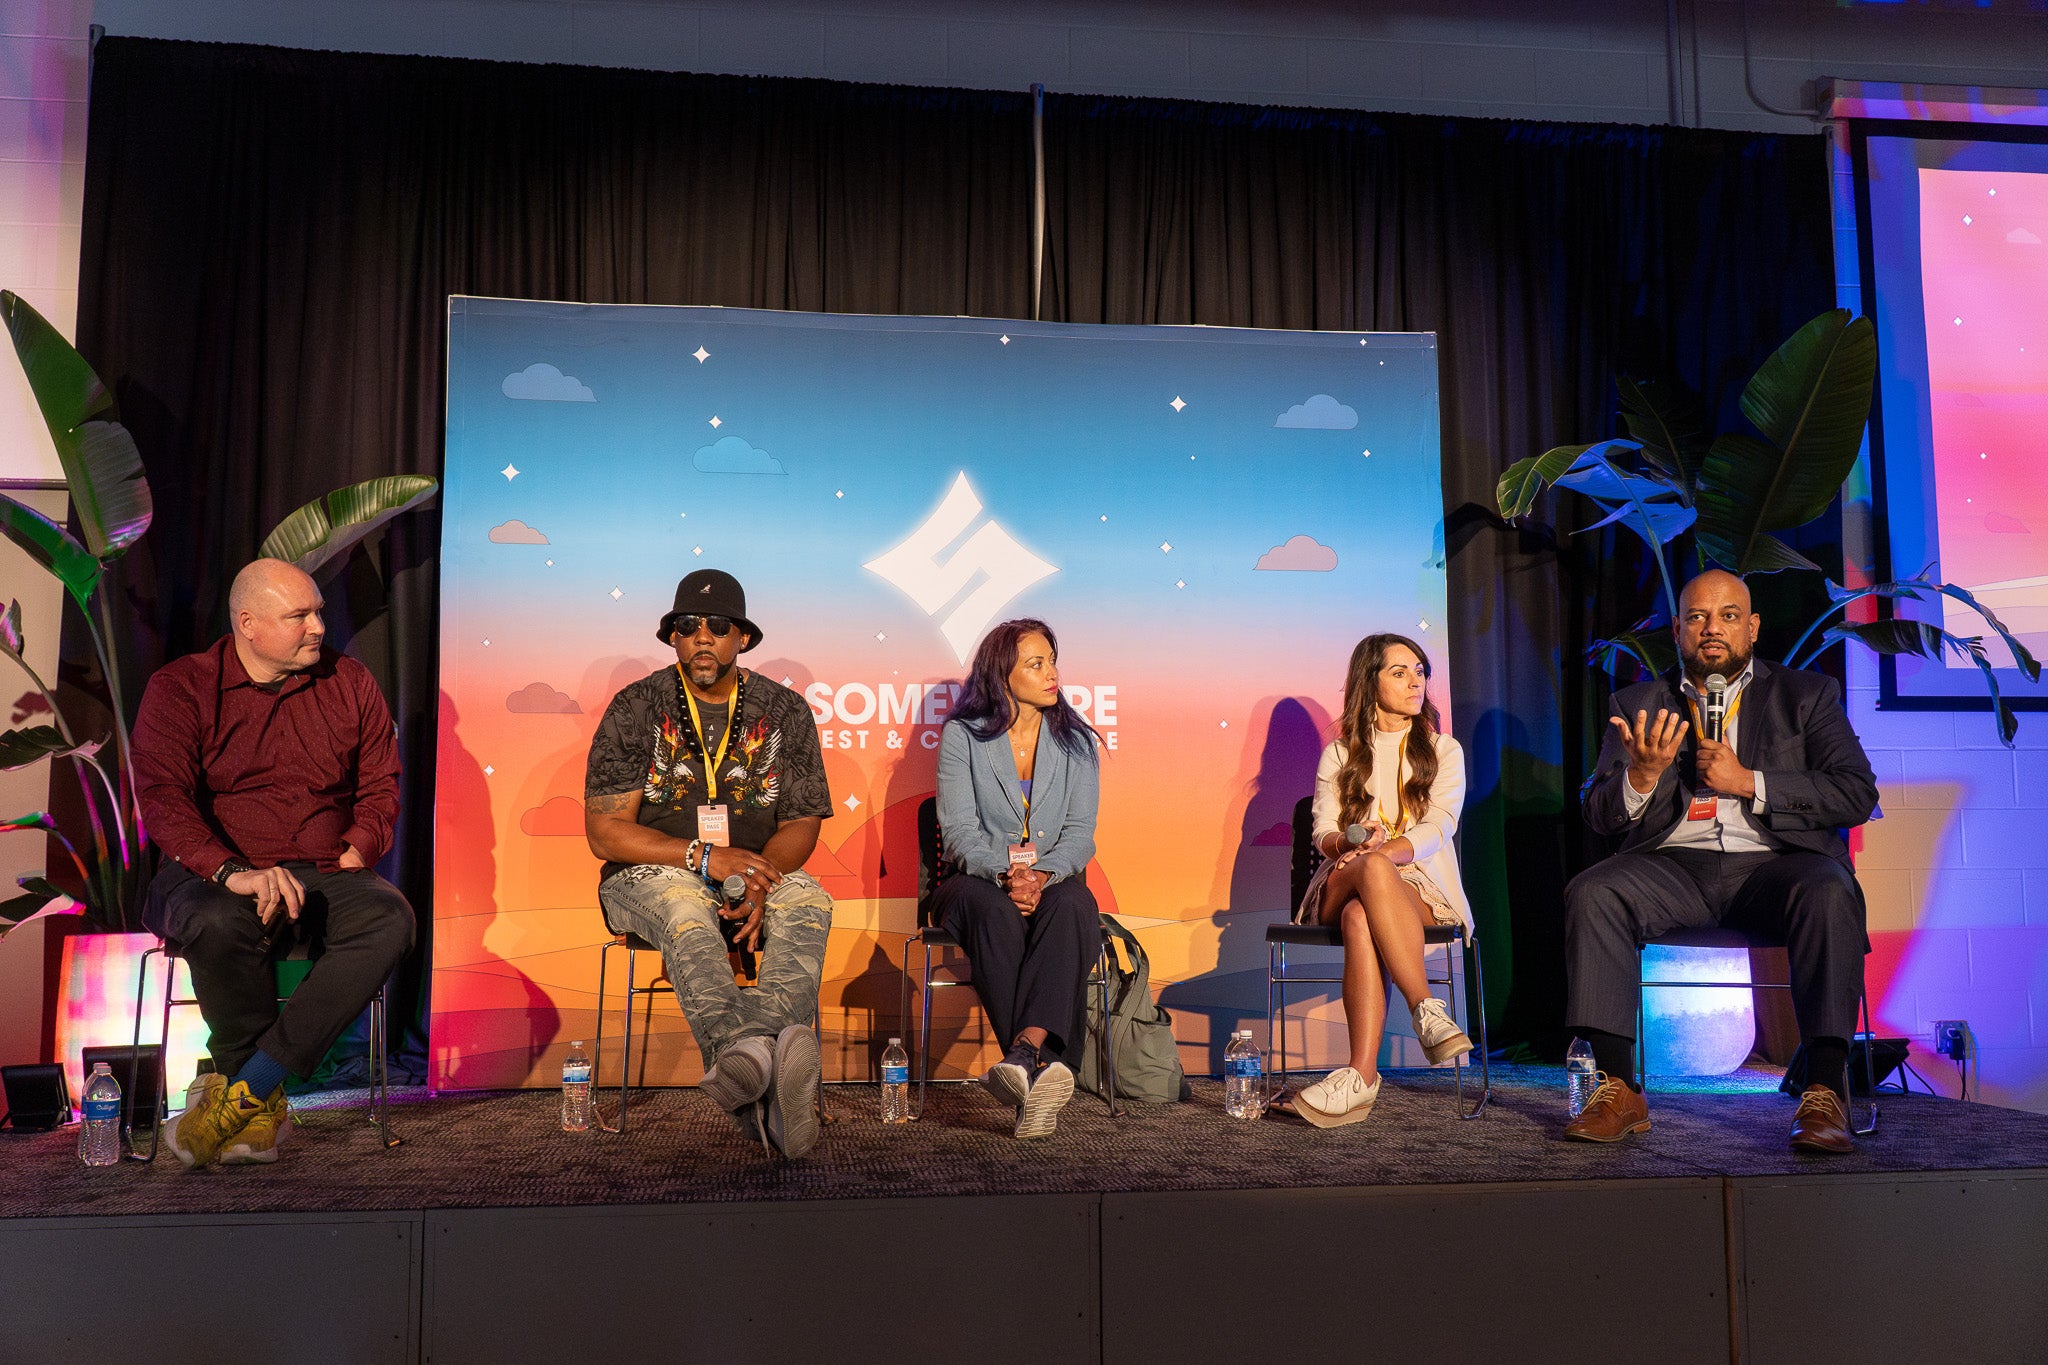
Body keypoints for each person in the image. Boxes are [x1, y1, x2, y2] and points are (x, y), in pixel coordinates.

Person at [1564, 569, 1879, 1153]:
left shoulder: (1806, 695)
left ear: (1752, 627)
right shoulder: (1637, 703)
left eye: (1729, 616)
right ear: (1678, 630)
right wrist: (1641, 777)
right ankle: (1618, 1090)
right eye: (1698, 617)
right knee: (1594, 891)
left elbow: (1856, 793)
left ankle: (1824, 1091)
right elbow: (1598, 812)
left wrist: (1749, 781)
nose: (1713, 628)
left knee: (1828, 887)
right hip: (1672, 869)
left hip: (1775, 868)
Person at [135, 559, 416, 1168]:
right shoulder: (182, 687)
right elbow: (163, 799)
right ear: (248, 623)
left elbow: (380, 783)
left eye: (318, 612)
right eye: (299, 616)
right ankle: (255, 1094)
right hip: (214, 871)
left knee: (389, 917)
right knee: (217, 919)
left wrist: (358, 846)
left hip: (322, 867)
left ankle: (246, 1091)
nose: (319, 626)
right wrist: (231, 872)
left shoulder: (349, 681)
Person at [583, 569, 834, 1158]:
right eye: (688, 625)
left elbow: (802, 822)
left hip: (756, 869)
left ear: (741, 638)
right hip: (650, 874)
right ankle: (753, 1056)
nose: (702, 636)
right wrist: (703, 856)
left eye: (718, 626)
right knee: (685, 909)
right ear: (672, 637)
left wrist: (756, 879)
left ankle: (754, 1066)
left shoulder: (785, 710)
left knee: (810, 901)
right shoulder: (636, 707)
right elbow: (605, 832)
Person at [1291, 633, 1475, 1128]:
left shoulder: (1444, 750)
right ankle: (1426, 1009)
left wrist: (1387, 851)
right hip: (1344, 875)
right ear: (1368, 682)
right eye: (1400, 672)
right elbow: (1323, 833)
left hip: (1420, 885)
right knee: (1368, 874)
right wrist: (1355, 842)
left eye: (1420, 671)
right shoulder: (1340, 753)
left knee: (1361, 916)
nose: (1416, 681)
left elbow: (1440, 826)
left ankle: (1360, 1077)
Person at [933, 619, 1104, 1139]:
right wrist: (1006, 874)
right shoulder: (963, 737)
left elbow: (1080, 836)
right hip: (976, 879)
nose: (1052, 673)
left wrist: (1042, 874)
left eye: (1052, 661)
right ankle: (1047, 1066)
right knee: (994, 910)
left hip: (1050, 878)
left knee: (1074, 906)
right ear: (1002, 674)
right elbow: (959, 834)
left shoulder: (1077, 742)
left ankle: (1023, 1055)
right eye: (1036, 664)